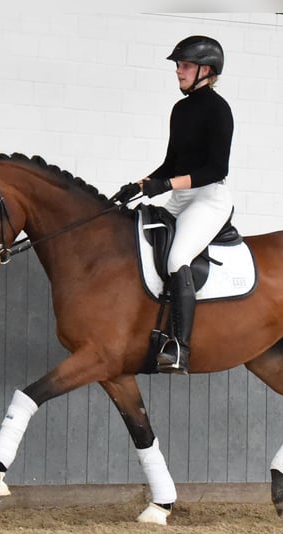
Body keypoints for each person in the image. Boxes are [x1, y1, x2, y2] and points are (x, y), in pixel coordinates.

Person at [116, 35, 235, 375]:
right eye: (179, 66)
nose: (178, 72)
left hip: (209, 198)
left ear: (205, 70)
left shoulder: (218, 110)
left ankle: (179, 347)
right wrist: (138, 186)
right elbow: (171, 163)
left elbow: (216, 169)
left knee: (178, 257)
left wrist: (165, 185)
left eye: (184, 65)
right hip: (182, 196)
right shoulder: (181, 110)